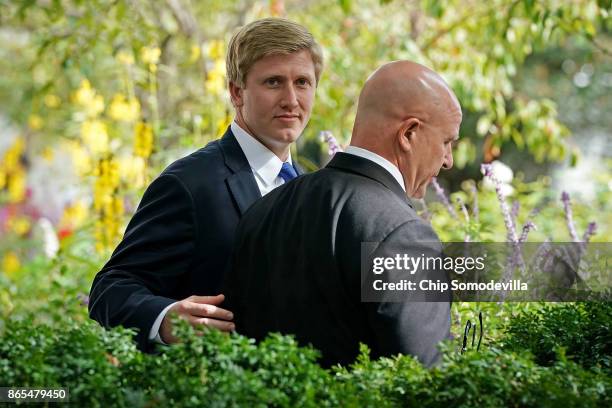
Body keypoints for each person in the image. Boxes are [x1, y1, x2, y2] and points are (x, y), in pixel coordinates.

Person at [88, 18, 323, 351]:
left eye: (302, 82)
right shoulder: (188, 184)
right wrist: (166, 317)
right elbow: (111, 289)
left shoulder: (313, 189)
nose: (291, 99)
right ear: (236, 92)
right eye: (273, 82)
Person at [224, 61, 461, 367]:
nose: (448, 161)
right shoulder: (403, 235)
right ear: (409, 133)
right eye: (446, 142)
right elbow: (425, 379)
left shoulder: (264, 210)